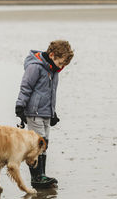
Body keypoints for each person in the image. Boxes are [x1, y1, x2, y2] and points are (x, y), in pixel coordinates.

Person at [15, 40, 74, 188]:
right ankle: (36, 177)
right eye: (60, 63)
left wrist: (52, 113)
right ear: (52, 55)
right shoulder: (35, 67)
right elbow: (25, 87)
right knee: (37, 143)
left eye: (63, 65)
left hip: (45, 112)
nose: (61, 67)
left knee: (44, 143)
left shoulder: (53, 71)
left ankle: (41, 174)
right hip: (33, 112)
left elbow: (51, 94)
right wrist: (20, 106)